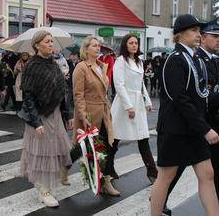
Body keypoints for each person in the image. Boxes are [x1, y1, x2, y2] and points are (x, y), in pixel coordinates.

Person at [151, 14, 219, 216]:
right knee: (166, 177)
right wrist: (205, 129)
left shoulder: (195, 58)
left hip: (193, 130)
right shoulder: (175, 60)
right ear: (179, 34)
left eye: (199, 31)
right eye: (194, 30)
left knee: (207, 174)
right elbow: (180, 99)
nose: (198, 35)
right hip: (175, 130)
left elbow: (201, 94)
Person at [19, 30, 72, 207]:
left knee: (54, 152)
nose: (51, 44)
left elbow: (61, 91)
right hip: (41, 116)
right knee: (42, 154)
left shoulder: (53, 64)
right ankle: (43, 190)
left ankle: (46, 186)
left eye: (51, 41)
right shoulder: (31, 66)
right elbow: (28, 97)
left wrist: (67, 115)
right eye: (47, 41)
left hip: (55, 114)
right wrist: (36, 122)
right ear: (37, 45)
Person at [71, 36, 120, 196]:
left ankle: (106, 182)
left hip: (103, 111)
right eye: (94, 46)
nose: (98, 48)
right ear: (85, 49)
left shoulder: (102, 66)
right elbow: (78, 94)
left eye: (99, 46)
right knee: (83, 147)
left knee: (106, 145)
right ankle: (64, 167)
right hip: (89, 112)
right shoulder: (81, 67)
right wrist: (83, 116)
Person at [110, 33, 157, 182]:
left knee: (143, 137)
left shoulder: (139, 62)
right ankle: (108, 168)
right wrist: (128, 106)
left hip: (138, 101)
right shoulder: (120, 61)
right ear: (125, 45)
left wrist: (148, 102)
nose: (134, 45)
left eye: (136, 43)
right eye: (131, 43)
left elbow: (141, 84)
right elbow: (119, 85)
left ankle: (152, 171)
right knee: (115, 138)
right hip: (124, 103)